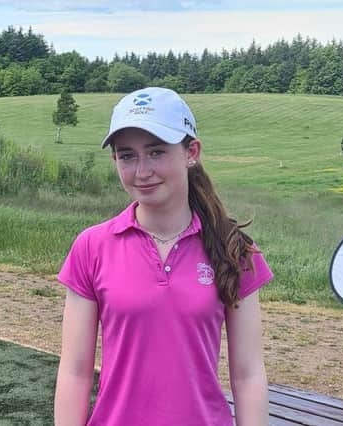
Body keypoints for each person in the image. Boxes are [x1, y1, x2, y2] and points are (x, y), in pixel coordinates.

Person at [54, 87, 273, 426]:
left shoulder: (234, 249)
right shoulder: (91, 246)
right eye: (127, 155)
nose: (142, 171)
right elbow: (74, 372)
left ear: (191, 152)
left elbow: (248, 375)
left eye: (156, 152)